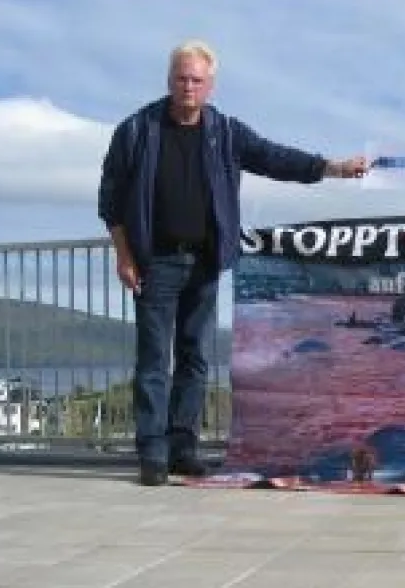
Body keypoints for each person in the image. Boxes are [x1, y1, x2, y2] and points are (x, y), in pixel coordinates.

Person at [97, 40, 369, 486]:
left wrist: (333, 168)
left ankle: (183, 449)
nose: (188, 86)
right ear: (169, 81)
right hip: (155, 263)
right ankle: (152, 452)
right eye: (182, 78)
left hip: (205, 262)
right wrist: (124, 257)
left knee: (195, 358)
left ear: (210, 85)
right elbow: (110, 201)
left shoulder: (224, 132)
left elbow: (274, 157)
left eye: (197, 80)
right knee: (152, 360)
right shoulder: (136, 130)